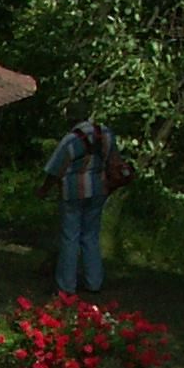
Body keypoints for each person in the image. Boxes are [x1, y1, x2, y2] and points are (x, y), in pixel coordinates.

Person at [41, 117, 124, 295]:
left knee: (70, 238)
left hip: (72, 192)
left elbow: (55, 170)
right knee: (91, 237)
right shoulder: (106, 135)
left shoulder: (70, 141)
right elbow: (115, 162)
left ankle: (66, 285)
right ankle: (94, 282)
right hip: (98, 190)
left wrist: (43, 190)